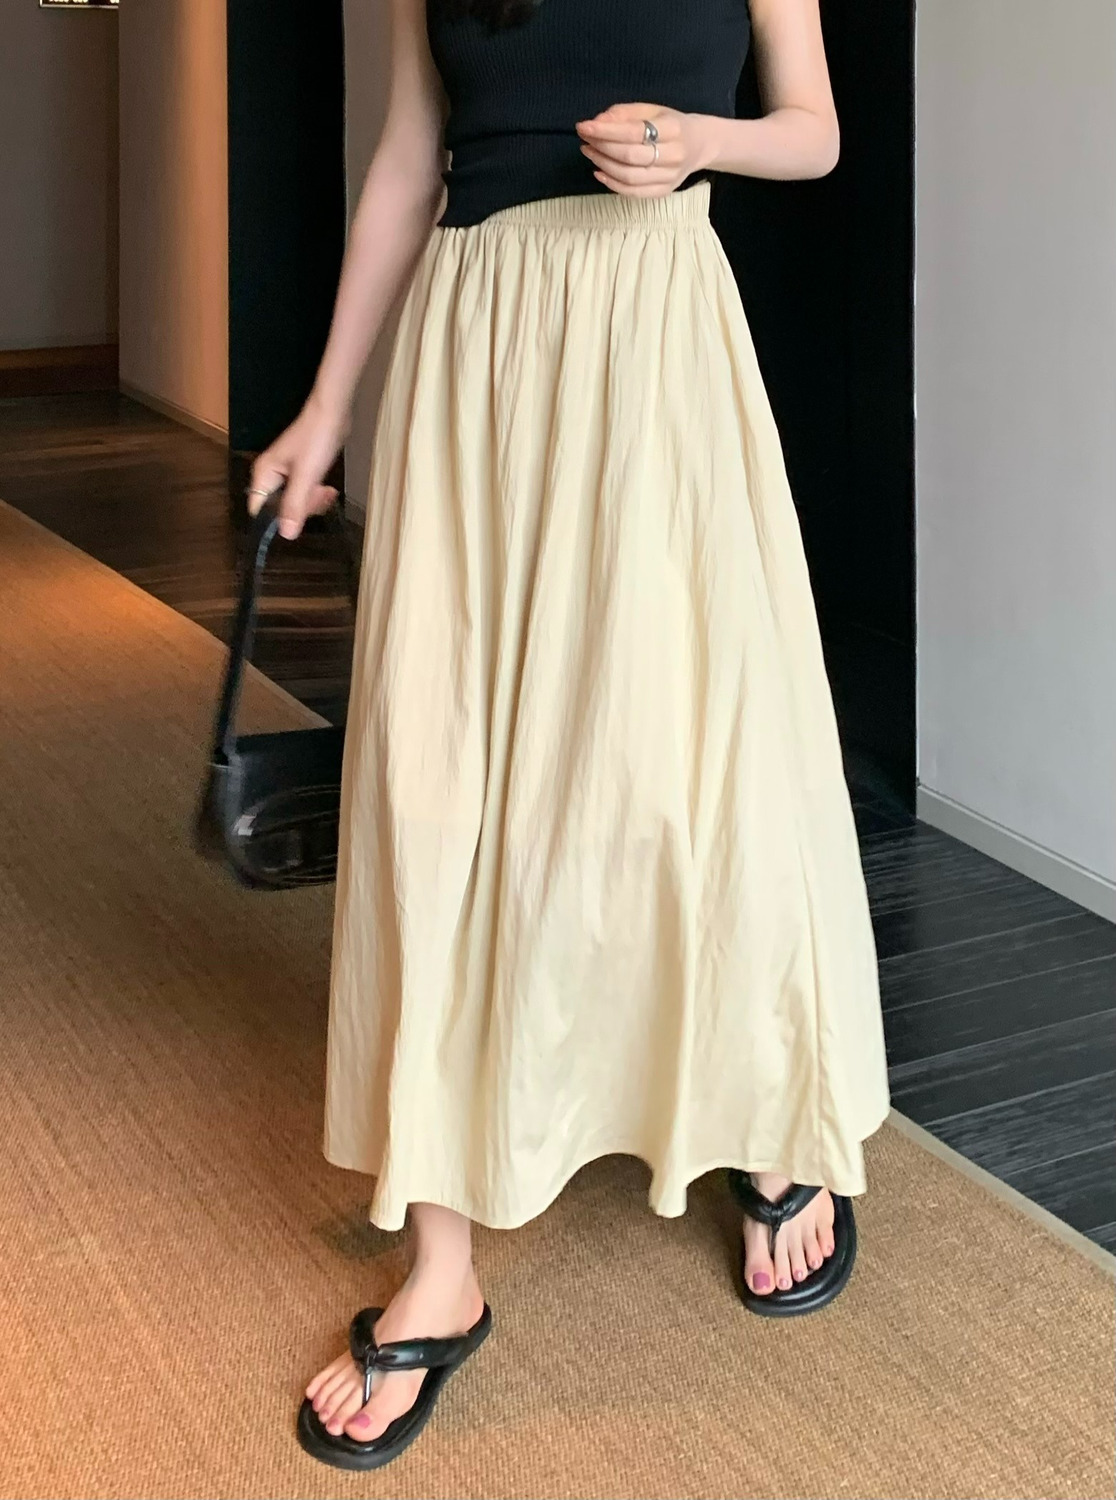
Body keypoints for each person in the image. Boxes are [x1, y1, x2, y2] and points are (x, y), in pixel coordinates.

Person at [249, 0, 889, 1472]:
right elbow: (407, 163)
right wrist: (327, 410)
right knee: (439, 782)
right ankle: (442, 1262)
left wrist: (697, 141)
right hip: (476, 349)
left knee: (695, 767)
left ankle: (765, 1118)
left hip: (655, 334)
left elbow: (813, 130)